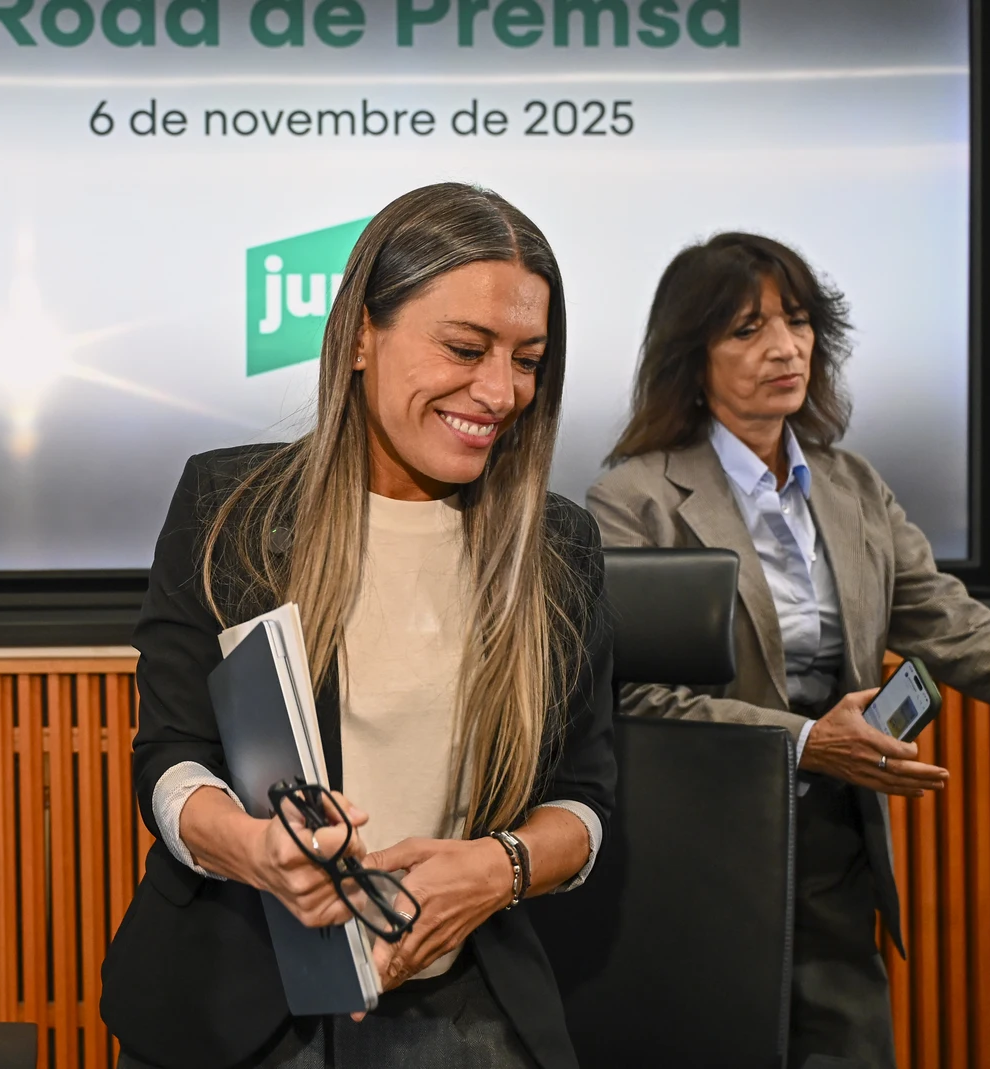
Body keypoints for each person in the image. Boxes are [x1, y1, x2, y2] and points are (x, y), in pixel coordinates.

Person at [100, 184, 616, 1069]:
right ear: (360, 338)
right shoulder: (231, 509)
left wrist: (503, 866)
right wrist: (258, 850)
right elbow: (171, 759)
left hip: (463, 1010)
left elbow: (587, 798)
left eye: (527, 359)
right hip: (239, 1004)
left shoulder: (557, 545)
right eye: (465, 347)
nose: (500, 391)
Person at [587, 233, 990, 1068]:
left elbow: (955, 626)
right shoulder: (634, 498)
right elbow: (632, 693)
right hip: (703, 843)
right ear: (693, 357)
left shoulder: (851, 483)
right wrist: (802, 740)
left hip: (835, 838)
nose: (784, 347)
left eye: (796, 321)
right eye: (746, 328)